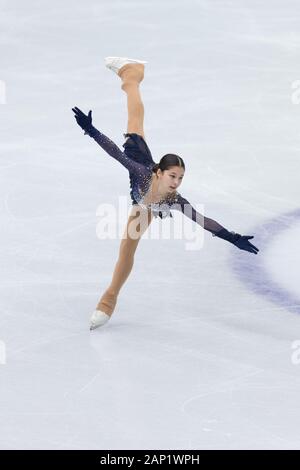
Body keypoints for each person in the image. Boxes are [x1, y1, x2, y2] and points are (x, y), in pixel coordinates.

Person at [72, 56, 259, 330]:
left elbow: (202, 221)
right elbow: (114, 153)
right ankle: (108, 301)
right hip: (140, 171)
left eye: (181, 178)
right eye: (173, 176)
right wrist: (91, 130)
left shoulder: (174, 199)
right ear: (160, 173)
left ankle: (131, 73)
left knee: (137, 121)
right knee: (134, 126)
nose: (177, 182)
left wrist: (232, 238)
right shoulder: (141, 171)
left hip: (147, 206)